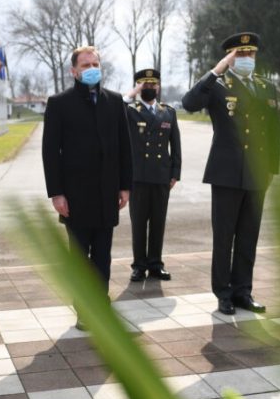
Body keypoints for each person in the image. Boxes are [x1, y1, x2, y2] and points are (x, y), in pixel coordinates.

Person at [181, 32, 280, 315]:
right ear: (230, 57)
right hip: (226, 173)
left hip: (257, 173)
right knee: (224, 236)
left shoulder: (266, 87)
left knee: (249, 235)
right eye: (240, 55)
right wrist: (216, 70)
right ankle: (223, 293)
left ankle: (243, 292)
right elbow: (189, 103)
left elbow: (275, 131)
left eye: (250, 54)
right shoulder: (217, 85)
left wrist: (272, 167)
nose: (247, 59)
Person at [42, 45, 132, 328]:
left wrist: (125, 186)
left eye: (95, 64)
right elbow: (50, 152)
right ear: (74, 71)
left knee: (103, 254)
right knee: (80, 256)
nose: (91, 69)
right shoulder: (59, 103)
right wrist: (56, 193)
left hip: (107, 194)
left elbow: (125, 147)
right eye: (85, 65)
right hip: (75, 196)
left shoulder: (115, 101)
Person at [123, 68, 181, 282]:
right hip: (138, 177)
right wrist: (131, 93)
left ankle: (156, 264)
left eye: (152, 84)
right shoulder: (130, 111)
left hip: (161, 177)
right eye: (144, 84)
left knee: (158, 222)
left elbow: (175, 146)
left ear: (158, 86)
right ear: (139, 87)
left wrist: (175, 173)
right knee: (139, 223)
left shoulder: (169, 112)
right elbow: (115, 110)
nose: (149, 88)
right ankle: (139, 265)